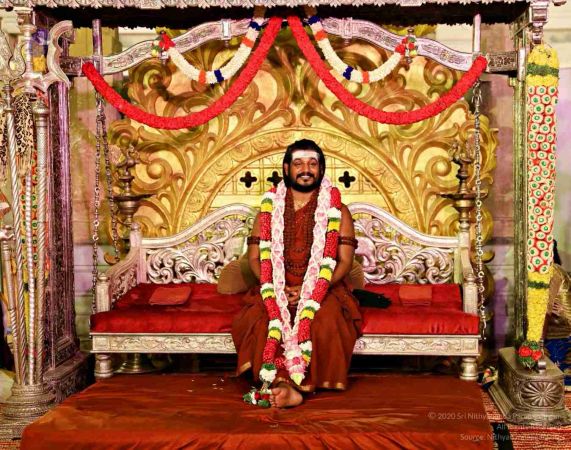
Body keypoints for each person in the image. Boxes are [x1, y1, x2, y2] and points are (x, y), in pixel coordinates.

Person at [232, 139, 362, 408]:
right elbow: (255, 257)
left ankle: (292, 386)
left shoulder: (338, 210)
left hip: (325, 287)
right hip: (273, 285)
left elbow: (344, 261)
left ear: (321, 169)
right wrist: (274, 287)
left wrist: (310, 290)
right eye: (299, 164)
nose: (306, 170)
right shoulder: (268, 209)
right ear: (286, 168)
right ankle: (279, 384)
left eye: (313, 164)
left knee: (322, 319)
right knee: (264, 319)